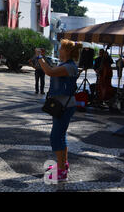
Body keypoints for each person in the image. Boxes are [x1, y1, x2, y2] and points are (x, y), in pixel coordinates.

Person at [37, 39, 82, 183]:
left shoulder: (69, 67)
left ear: (67, 51)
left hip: (64, 106)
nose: (59, 50)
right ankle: (63, 165)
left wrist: (39, 57)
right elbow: (48, 69)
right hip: (61, 105)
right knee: (61, 136)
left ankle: (62, 172)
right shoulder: (65, 65)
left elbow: (49, 72)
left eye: (62, 48)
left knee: (55, 137)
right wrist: (40, 59)